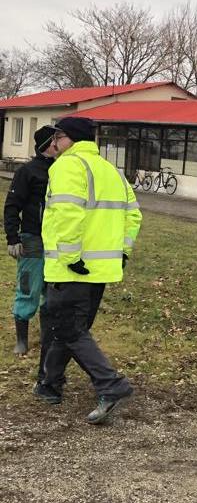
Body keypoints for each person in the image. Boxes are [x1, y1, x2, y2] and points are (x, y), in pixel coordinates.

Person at [34, 116, 142, 425]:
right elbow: (133, 215)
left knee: (69, 329)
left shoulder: (67, 166)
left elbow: (67, 214)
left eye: (57, 136)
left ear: (70, 138)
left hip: (72, 268)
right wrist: (122, 252)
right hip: (102, 269)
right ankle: (49, 385)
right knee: (67, 328)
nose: (54, 143)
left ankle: (110, 384)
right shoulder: (111, 170)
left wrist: (70, 257)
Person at [4, 125, 58, 363]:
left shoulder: (62, 170)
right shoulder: (27, 172)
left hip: (57, 240)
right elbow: (12, 205)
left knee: (53, 290)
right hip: (32, 238)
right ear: (48, 144)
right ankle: (21, 339)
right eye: (56, 140)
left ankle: (49, 336)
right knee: (28, 287)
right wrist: (12, 238)